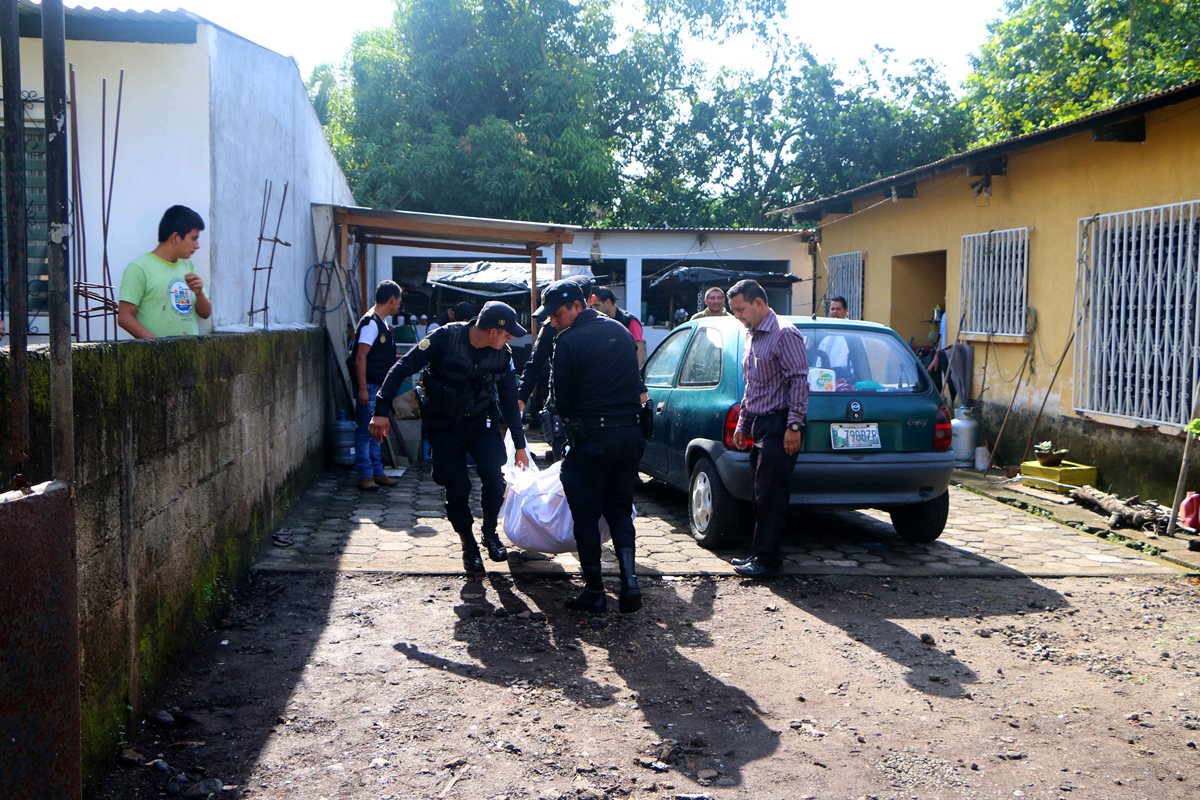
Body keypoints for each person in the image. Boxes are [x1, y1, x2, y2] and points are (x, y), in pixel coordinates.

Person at [368, 301, 531, 573]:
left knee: (494, 478)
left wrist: (520, 444)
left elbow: (509, 399)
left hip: (481, 422)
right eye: (507, 334)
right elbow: (401, 368)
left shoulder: (502, 355)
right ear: (493, 331)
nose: (509, 339)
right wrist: (380, 411)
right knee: (457, 487)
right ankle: (468, 544)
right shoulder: (444, 338)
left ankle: (489, 532)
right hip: (444, 426)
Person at [536, 279, 648, 613]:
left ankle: (595, 591)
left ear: (577, 305)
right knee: (620, 510)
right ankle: (630, 582)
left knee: (585, 516)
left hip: (592, 441)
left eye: (556, 314)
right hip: (629, 437)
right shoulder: (620, 331)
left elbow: (562, 401)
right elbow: (636, 384)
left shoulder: (568, 342)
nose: (553, 321)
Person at [727, 279, 809, 579]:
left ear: (759, 303)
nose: (737, 316)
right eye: (734, 311)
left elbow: (798, 380)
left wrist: (794, 425)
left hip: (781, 422)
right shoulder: (752, 335)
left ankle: (768, 560)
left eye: (740, 309)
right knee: (760, 493)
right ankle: (759, 553)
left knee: (771, 494)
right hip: (761, 423)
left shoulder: (784, 333)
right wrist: (743, 423)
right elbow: (753, 386)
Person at [518, 275, 596, 462]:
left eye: (556, 315)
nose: (553, 320)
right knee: (564, 465)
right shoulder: (551, 328)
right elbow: (534, 365)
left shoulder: (604, 326)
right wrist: (520, 398)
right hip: (561, 410)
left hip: (595, 411)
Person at [118, 205, 212, 338]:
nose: (197, 246)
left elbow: (206, 313)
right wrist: (157, 346)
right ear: (175, 237)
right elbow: (125, 317)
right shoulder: (139, 268)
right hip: (157, 351)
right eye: (193, 238)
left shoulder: (188, 266)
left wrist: (199, 294)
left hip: (191, 350)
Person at [350, 280, 404, 491]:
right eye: (398, 300)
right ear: (392, 300)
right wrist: (362, 388)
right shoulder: (371, 323)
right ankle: (365, 474)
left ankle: (377, 471)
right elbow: (360, 357)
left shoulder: (380, 323)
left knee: (376, 432)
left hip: (379, 387)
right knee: (366, 432)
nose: (399, 304)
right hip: (370, 386)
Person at [591, 287, 646, 367]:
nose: (595, 309)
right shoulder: (598, 321)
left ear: (608, 302)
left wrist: (635, 371)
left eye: (597, 305)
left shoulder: (629, 321)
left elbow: (639, 350)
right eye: (593, 306)